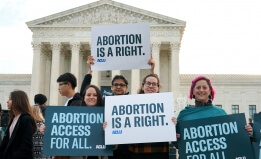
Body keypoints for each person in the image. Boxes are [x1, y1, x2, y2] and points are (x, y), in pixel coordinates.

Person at [177, 75, 253, 136]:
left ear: (210, 91)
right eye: (198, 87)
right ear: (193, 91)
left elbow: (231, 138)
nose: (201, 90)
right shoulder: (184, 114)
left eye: (204, 87)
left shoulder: (220, 113)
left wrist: (246, 132)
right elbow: (178, 143)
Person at [127, 74, 172, 159]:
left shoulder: (166, 105)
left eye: (154, 84)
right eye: (148, 83)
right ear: (143, 86)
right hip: (138, 151)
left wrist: (173, 122)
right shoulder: (132, 104)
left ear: (158, 88)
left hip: (160, 151)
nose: (151, 86)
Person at [0, 90, 37, 159]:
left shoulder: (26, 118)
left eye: (10, 99)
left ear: (17, 101)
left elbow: (26, 143)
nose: (7, 101)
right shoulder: (14, 118)